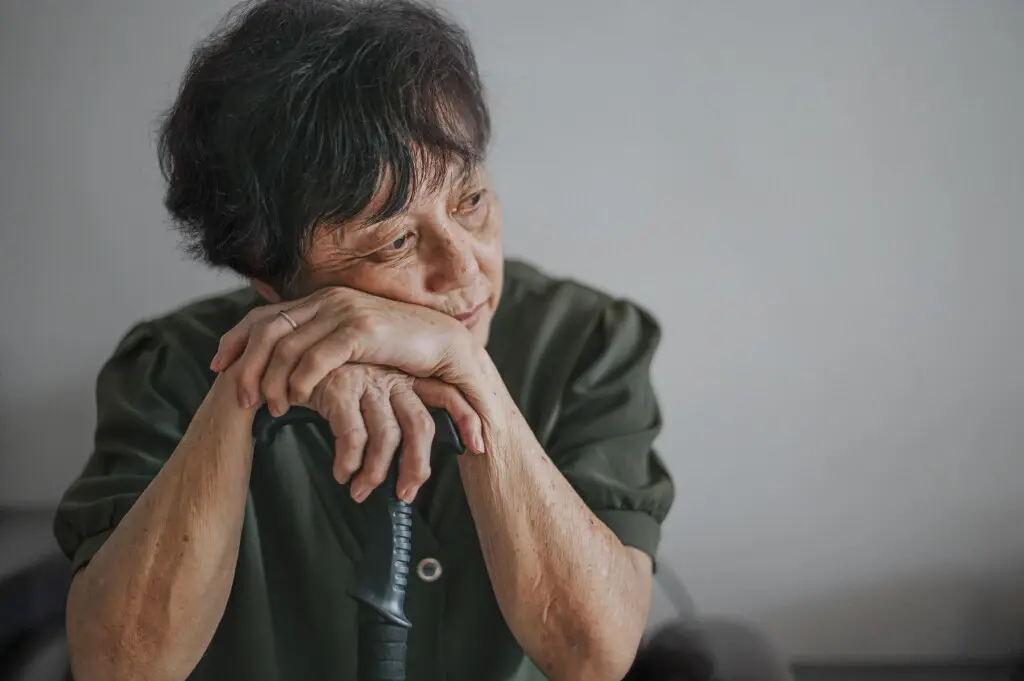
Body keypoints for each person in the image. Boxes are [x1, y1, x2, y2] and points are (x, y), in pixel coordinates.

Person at [52, 1, 675, 680]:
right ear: (272, 276)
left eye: (469, 201)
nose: (465, 269)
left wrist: (467, 367)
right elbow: (119, 666)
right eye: (398, 240)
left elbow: (594, 655)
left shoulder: (588, 342)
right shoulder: (169, 369)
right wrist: (249, 383)